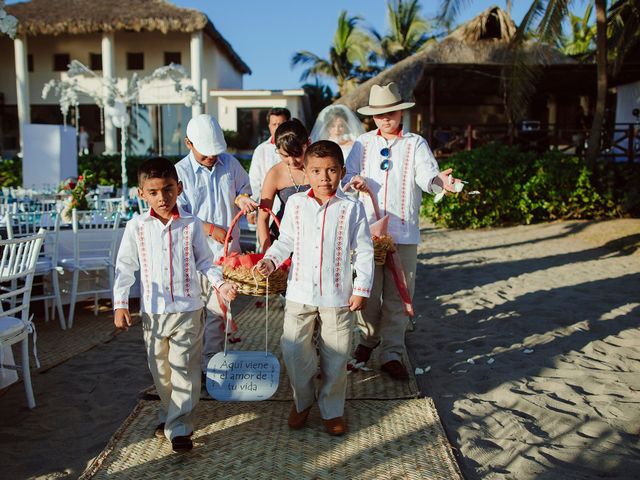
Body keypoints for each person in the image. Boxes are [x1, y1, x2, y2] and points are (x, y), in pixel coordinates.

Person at [113, 157, 238, 452]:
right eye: (153, 192)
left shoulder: (191, 224)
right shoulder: (136, 227)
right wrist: (120, 303)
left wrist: (221, 284)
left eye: (168, 190)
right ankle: (170, 413)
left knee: (184, 367)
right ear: (141, 193)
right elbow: (125, 266)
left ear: (179, 188)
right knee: (160, 371)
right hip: (153, 313)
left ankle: (180, 427)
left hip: (188, 308)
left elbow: (206, 262)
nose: (162, 198)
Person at [345, 82, 462, 380]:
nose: (386, 118)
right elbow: (346, 175)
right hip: (367, 232)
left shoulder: (415, 143)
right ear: (372, 116)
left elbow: (427, 176)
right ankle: (368, 340)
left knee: (399, 292)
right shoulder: (362, 143)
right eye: (380, 114)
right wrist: (354, 180)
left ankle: (393, 352)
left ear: (400, 112)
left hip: (403, 232)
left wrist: (441, 183)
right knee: (367, 291)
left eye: (391, 112)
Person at [256, 140, 374, 435]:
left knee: (337, 355)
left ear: (343, 172)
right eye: (317, 171)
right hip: (299, 293)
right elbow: (286, 242)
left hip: (337, 295)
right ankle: (302, 400)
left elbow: (364, 250)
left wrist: (361, 288)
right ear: (306, 173)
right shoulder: (296, 204)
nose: (324, 178)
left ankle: (332, 410)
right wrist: (270, 260)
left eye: (332, 170)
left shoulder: (352, 208)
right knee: (294, 351)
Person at [175, 114, 258, 374]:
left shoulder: (230, 163)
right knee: (192, 315)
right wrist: (210, 229)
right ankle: (190, 367)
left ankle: (211, 368)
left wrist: (243, 199)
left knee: (217, 315)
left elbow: (243, 188)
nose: (211, 158)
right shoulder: (180, 172)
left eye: (214, 153)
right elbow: (178, 214)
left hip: (225, 258)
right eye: (205, 153)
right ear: (189, 144)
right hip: (194, 255)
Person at [256, 119, 311, 252]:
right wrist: (267, 254)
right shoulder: (275, 173)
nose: (292, 161)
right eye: (285, 155)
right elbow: (263, 217)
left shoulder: (318, 168)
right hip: (282, 240)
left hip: (312, 238)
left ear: (308, 144)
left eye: (297, 154)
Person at [248, 107, 291, 224]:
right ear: (269, 126)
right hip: (267, 208)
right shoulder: (261, 150)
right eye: (274, 124)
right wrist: (252, 208)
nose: (278, 128)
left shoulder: (297, 149)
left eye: (281, 124)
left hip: (291, 209)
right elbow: (254, 181)